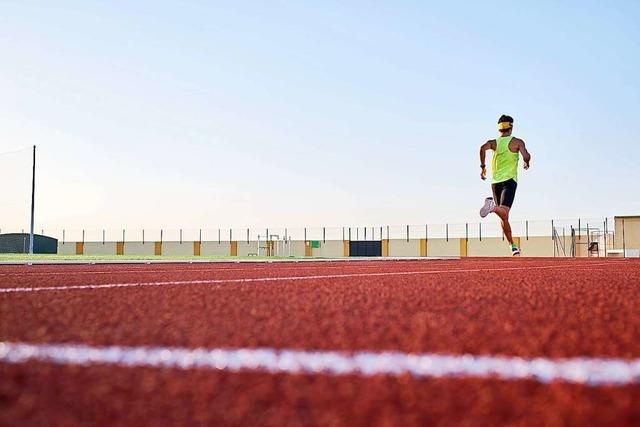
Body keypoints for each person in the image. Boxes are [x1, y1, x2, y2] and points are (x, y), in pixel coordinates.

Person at [478, 115, 531, 256]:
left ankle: (512, 245)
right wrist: (527, 162)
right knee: (504, 212)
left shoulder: (494, 143)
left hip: (495, 183)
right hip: (509, 181)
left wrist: (483, 167)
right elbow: (526, 155)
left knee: (504, 217)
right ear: (511, 127)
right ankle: (492, 207)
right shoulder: (517, 142)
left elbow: (482, 148)